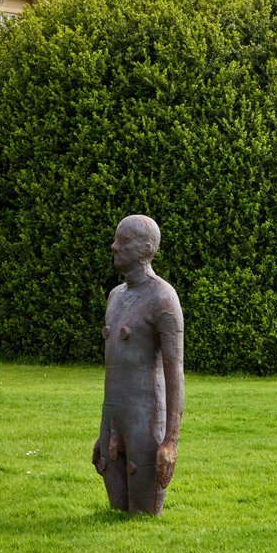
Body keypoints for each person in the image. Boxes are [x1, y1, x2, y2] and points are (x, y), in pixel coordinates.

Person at [92, 215, 184, 515]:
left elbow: (174, 373)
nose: (114, 246)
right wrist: (105, 431)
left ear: (145, 249)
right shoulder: (115, 297)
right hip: (114, 423)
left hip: (146, 424)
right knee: (117, 513)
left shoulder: (163, 298)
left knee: (143, 515)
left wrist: (170, 442)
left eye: (123, 241)